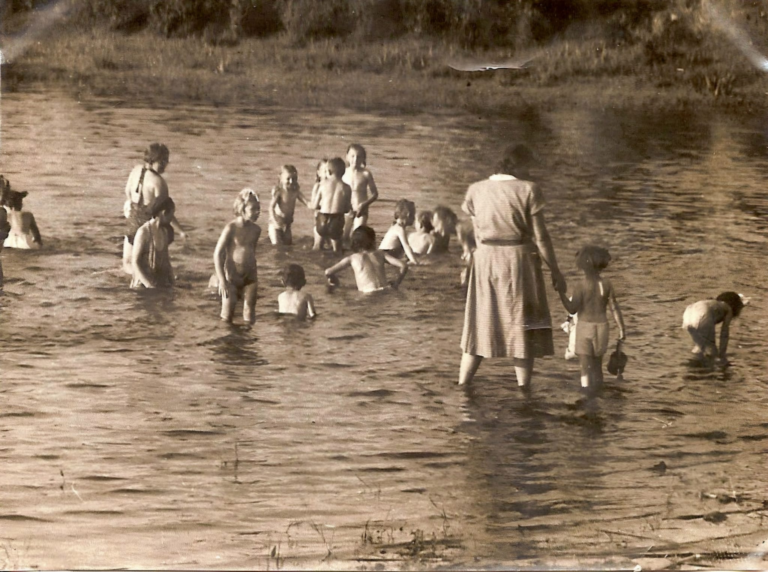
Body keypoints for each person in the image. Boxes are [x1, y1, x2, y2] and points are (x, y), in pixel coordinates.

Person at [459, 144, 566, 388]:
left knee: (480, 323)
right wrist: (556, 271)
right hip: (518, 261)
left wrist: (471, 265)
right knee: (522, 324)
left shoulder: (476, 190)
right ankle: (523, 390)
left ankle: (462, 385)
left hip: (485, 260)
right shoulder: (528, 189)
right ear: (520, 165)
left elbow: (475, 234)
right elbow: (541, 237)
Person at [558, 245, 626, 389]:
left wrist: (561, 294)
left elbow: (572, 308)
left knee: (585, 368)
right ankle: (599, 393)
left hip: (585, 328)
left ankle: (587, 397)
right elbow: (614, 307)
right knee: (597, 367)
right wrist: (621, 328)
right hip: (602, 328)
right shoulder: (606, 284)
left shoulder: (581, 285)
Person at [123, 143, 185, 274]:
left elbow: (128, 193)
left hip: (132, 222)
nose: (166, 163)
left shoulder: (135, 170)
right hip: (148, 226)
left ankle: (133, 282)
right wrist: (180, 230)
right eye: (162, 161)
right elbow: (164, 211)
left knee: (128, 263)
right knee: (153, 266)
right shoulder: (159, 182)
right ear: (153, 160)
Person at [213, 188, 262, 324]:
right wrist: (222, 280)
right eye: (253, 209)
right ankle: (227, 342)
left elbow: (252, 253)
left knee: (249, 313)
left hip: (250, 277)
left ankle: (248, 343)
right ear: (242, 208)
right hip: (232, 277)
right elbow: (217, 254)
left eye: (259, 209)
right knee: (227, 316)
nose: (257, 212)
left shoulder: (256, 230)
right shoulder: (231, 228)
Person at [325, 226, 408, 293]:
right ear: (373, 241)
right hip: (385, 290)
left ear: (355, 243)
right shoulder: (381, 254)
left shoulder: (352, 258)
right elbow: (403, 265)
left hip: (368, 293)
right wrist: (397, 283)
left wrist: (334, 281)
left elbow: (328, 272)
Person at [682, 291, 746, 364]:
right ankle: (710, 373)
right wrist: (722, 355)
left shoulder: (713, 304)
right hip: (702, 313)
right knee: (712, 351)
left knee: (700, 347)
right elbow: (724, 333)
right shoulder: (728, 308)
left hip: (688, 314)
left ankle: (693, 367)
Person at [130, 197, 176, 289]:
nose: (172, 218)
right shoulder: (143, 232)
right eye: (171, 214)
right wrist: (148, 285)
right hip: (142, 285)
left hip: (158, 281)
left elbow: (166, 261)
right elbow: (135, 262)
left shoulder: (164, 232)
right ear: (163, 213)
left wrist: (173, 282)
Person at [314, 157, 351, 253]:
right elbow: (347, 208)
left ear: (329, 172)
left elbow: (315, 205)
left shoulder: (322, 185)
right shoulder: (346, 187)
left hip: (322, 218)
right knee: (337, 251)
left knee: (317, 248)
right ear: (343, 172)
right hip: (336, 219)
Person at [342, 144, 378, 243]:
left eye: (359, 156)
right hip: (346, 210)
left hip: (361, 210)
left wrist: (364, 204)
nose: (355, 159)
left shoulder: (366, 174)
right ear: (347, 157)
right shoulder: (343, 173)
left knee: (357, 237)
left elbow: (375, 194)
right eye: (352, 156)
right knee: (344, 237)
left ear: (363, 158)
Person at [268, 165, 308, 246]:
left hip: (287, 224)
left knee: (288, 246)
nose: (291, 181)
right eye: (288, 179)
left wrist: (318, 205)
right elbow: (271, 207)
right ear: (281, 179)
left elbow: (306, 202)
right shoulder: (279, 191)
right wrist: (274, 220)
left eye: (294, 178)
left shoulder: (295, 191)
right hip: (276, 224)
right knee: (277, 247)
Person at [0, 178, 41, 250]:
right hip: (25, 243)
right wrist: (39, 243)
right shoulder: (28, 215)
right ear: (21, 204)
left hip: (8, 242)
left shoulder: (4, 215)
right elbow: (36, 234)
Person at [379, 199, 419, 264]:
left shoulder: (394, 226)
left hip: (384, 254)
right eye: (413, 215)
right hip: (386, 256)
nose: (414, 218)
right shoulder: (400, 229)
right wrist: (414, 261)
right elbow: (406, 246)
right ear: (408, 215)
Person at [309, 159, 329, 251]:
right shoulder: (318, 186)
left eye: (329, 171)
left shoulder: (332, 186)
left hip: (330, 221)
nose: (327, 174)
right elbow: (314, 203)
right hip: (319, 221)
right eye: (324, 171)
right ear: (318, 173)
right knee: (317, 246)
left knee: (330, 247)